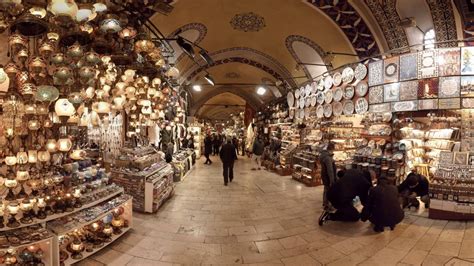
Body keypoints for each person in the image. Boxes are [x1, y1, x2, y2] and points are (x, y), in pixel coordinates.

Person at [319, 142, 337, 211]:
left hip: (324, 175)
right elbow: (330, 170)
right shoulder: (328, 158)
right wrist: (332, 180)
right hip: (327, 177)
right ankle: (327, 206)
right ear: (332, 148)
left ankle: (325, 203)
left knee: (326, 189)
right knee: (329, 190)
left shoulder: (324, 155)